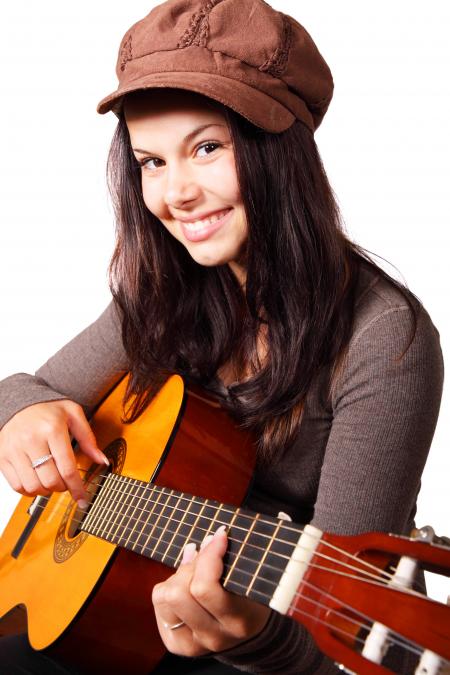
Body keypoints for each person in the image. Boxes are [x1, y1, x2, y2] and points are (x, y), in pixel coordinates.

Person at [0, 0, 444, 673]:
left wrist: (251, 636)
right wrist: (24, 413)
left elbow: (347, 636)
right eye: (151, 161)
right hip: (119, 610)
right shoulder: (163, 289)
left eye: (206, 148)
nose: (175, 192)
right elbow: (24, 393)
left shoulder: (387, 340)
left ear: (280, 152)